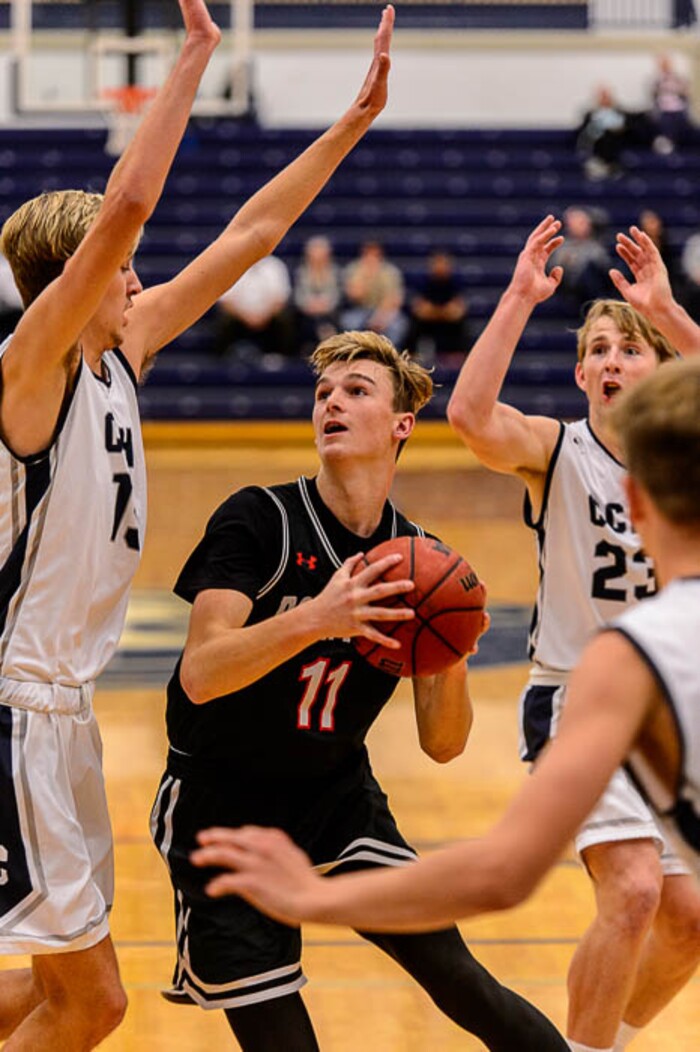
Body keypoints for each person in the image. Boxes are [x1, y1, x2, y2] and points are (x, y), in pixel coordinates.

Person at [192, 226, 700, 1052]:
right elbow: (468, 414)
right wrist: (517, 298)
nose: (613, 361)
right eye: (598, 349)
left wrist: (670, 314)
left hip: (673, 699)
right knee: (635, 892)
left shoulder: (682, 463)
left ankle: (609, 1042)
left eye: (631, 350)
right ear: (579, 375)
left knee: (684, 922)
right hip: (581, 691)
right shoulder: (558, 447)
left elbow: (456, 771)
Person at [0, 3, 398, 1046]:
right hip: (15, 704)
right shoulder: (30, 371)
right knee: (91, 1001)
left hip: (63, 713)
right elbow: (131, 201)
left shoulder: (118, 356)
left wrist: (349, 125)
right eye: (118, 264)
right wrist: (194, 54)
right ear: (74, 275)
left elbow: (251, 234)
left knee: (69, 997)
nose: (139, 277)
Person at [150, 329, 569, 1051]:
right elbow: (201, 672)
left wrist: (454, 642)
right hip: (224, 806)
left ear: (402, 424)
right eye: (322, 394)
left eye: (355, 391)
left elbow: (442, 745)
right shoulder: (260, 518)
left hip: (337, 799)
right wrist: (320, 618)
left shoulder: (417, 560)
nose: (331, 404)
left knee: (463, 980)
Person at [214, 254, 296, 362]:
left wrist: (263, 316)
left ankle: (282, 359)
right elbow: (226, 302)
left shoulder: (275, 266)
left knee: (284, 320)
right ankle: (223, 360)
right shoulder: (231, 266)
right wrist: (246, 317)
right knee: (224, 321)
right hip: (240, 317)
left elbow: (280, 299)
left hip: (268, 317)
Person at [406, 248, 471, 361]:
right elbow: (419, 308)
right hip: (429, 322)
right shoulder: (424, 282)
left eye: (443, 263)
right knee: (414, 323)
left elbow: (458, 310)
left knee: (462, 324)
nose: (440, 267)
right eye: (437, 263)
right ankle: (411, 353)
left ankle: (458, 354)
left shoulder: (455, 282)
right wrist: (441, 312)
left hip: (447, 322)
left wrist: (436, 311)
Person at [341, 239, 407, 346]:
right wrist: (366, 277)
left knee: (398, 325)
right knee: (349, 322)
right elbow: (354, 296)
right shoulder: (353, 269)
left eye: (375, 254)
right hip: (360, 310)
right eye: (368, 254)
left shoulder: (390, 271)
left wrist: (379, 318)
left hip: (384, 311)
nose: (372, 257)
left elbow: (394, 299)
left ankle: (390, 356)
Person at [549, 206, 612, 315]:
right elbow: (552, 268)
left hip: (589, 288)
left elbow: (604, 266)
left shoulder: (596, 246)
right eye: (575, 223)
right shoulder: (562, 245)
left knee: (591, 274)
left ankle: (597, 308)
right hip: (568, 287)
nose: (579, 227)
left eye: (582, 223)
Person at [293, 235, 342, 355]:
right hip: (307, 313)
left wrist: (325, 304)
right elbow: (298, 296)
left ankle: (331, 347)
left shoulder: (335, 272)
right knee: (307, 322)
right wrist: (309, 305)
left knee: (329, 320)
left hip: (329, 312)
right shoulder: (301, 272)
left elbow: (337, 295)